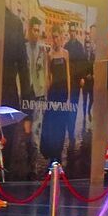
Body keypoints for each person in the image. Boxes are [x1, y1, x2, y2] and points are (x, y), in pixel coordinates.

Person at [40, 23, 74, 165]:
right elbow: (48, 77)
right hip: (53, 93)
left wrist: (69, 97)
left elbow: (68, 75)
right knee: (51, 124)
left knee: (61, 124)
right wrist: (46, 96)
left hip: (63, 93)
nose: (55, 39)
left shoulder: (66, 53)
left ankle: (58, 154)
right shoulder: (49, 55)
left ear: (61, 37)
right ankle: (52, 154)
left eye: (57, 37)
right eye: (53, 37)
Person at [6, 117, 39, 181]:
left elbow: (34, 150)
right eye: (26, 124)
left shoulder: (31, 138)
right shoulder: (18, 137)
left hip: (28, 166)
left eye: (29, 124)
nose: (28, 126)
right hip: (18, 166)